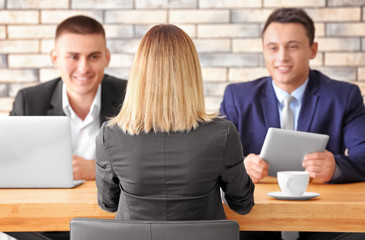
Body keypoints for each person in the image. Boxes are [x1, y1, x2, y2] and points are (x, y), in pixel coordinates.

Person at [220, 7, 365, 240]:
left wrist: (336, 167)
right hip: (257, 222)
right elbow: (215, 160)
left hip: (323, 223)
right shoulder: (238, 97)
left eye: (293, 46)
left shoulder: (343, 96)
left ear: (313, 50)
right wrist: (240, 170)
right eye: (273, 48)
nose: (282, 57)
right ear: (264, 52)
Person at [95, 24, 254, 221]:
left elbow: (108, 204)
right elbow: (242, 204)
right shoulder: (223, 134)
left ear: (139, 74)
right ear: (192, 73)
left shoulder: (110, 135)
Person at [10, 15, 127, 181]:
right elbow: (10, 164)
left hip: (112, 204)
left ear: (106, 58)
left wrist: (97, 169)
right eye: (73, 57)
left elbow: (150, 160)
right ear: (55, 58)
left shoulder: (130, 96)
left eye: (93, 57)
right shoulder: (28, 102)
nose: (83, 68)